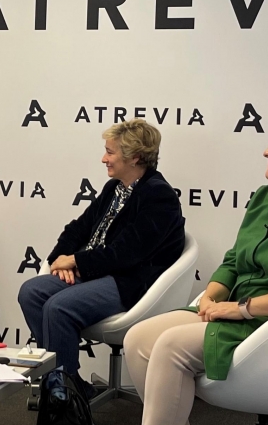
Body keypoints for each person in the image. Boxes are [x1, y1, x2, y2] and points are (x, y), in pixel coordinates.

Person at [123, 110, 268, 425]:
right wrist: (210, 297)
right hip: (238, 311)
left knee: (170, 346)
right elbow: (235, 260)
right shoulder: (267, 197)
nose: (266, 150)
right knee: (138, 338)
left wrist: (240, 309)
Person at [18, 118, 185, 396]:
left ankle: (63, 394)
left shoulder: (159, 196)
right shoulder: (114, 188)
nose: (103, 158)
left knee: (58, 308)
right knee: (31, 292)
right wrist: (61, 259)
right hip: (95, 271)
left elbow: (127, 254)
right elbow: (78, 228)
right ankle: (67, 385)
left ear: (134, 158)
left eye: (110, 152)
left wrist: (77, 262)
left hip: (128, 282)